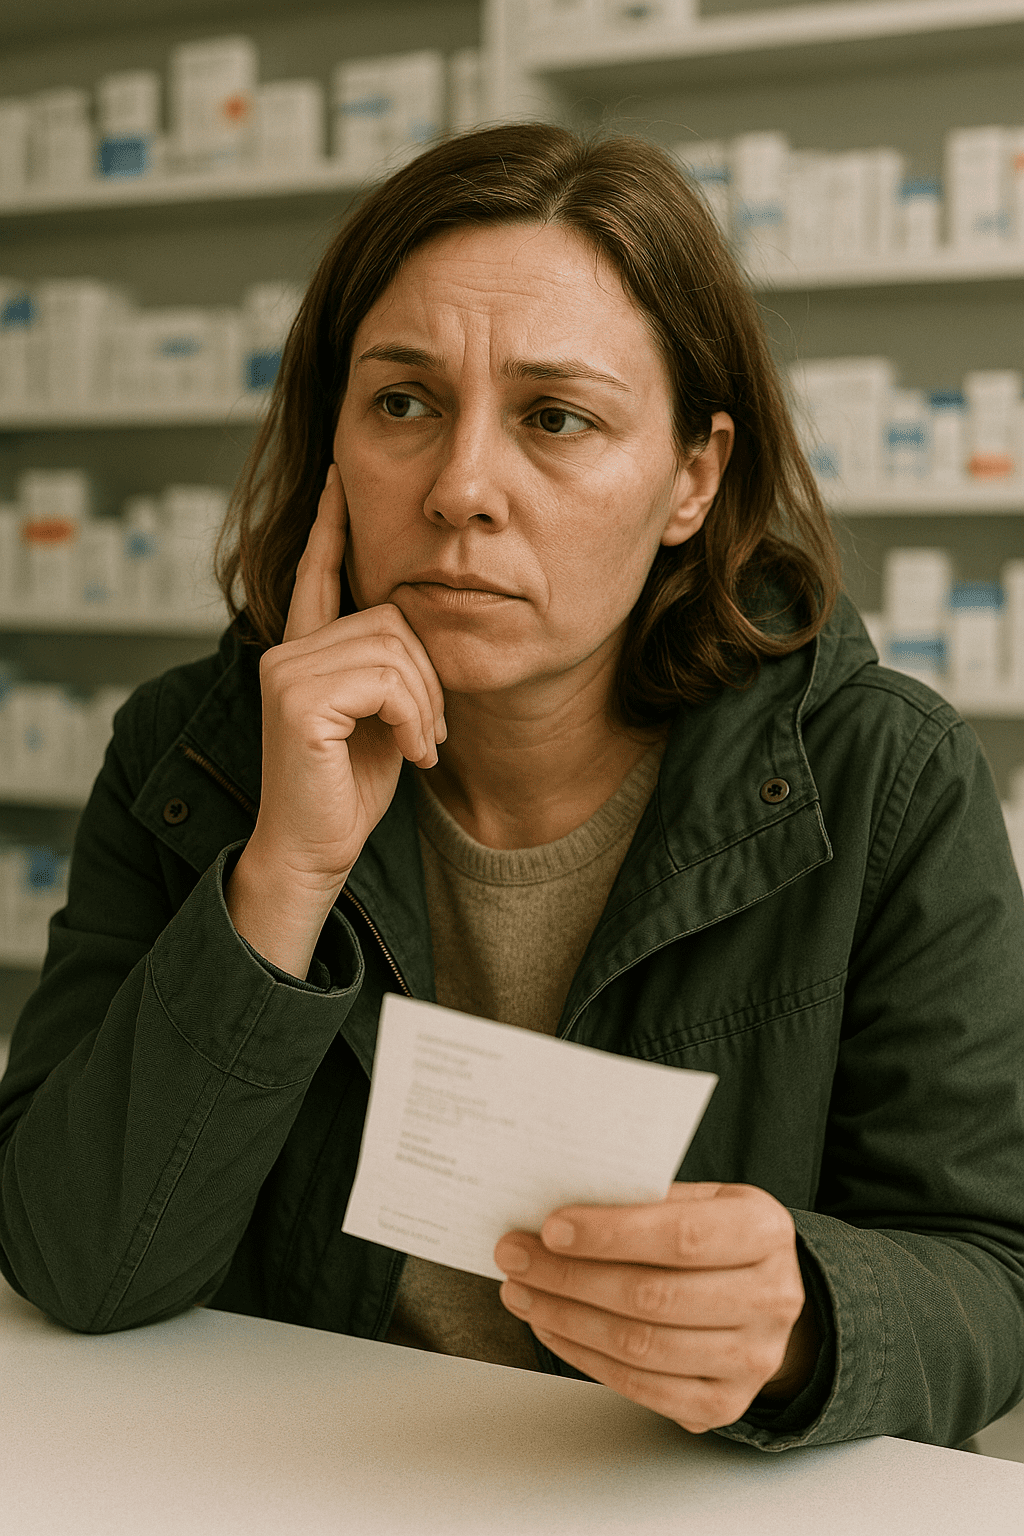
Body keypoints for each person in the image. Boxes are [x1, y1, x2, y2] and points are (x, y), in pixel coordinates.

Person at [1, 122, 1022, 1456]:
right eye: (403, 403)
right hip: (302, 1482)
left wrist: (808, 1325)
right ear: (331, 441)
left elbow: (992, 1269)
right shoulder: (188, 757)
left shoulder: (885, 779)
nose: (461, 488)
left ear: (693, 479)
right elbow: (75, 1262)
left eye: (555, 418)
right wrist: (283, 877)